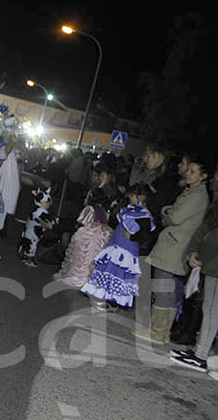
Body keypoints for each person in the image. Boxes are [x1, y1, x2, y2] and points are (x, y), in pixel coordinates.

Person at [138, 156, 211, 344]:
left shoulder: (197, 196)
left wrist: (165, 212)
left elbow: (175, 217)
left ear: (203, 176)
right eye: (188, 170)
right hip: (172, 244)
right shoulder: (192, 192)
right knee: (166, 288)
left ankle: (157, 332)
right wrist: (168, 212)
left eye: (193, 171)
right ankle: (160, 332)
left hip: (174, 246)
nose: (187, 173)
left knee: (163, 287)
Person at [171, 167, 218, 371]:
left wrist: (200, 257)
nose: (214, 181)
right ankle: (199, 350)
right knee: (209, 309)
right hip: (212, 262)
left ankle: (201, 356)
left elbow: (214, 236)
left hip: (214, 264)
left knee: (211, 310)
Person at [81, 184, 155, 308]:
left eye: (132, 196)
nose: (130, 198)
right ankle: (105, 297)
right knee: (110, 272)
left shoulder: (144, 215)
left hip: (125, 251)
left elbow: (145, 236)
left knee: (118, 274)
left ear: (140, 197)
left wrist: (132, 237)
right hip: (116, 246)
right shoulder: (130, 210)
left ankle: (114, 302)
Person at [53, 188, 111, 282]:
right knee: (92, 256)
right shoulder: (103, 211)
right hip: (99, 237)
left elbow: (82, 221)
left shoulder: (89, 209)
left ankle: (77, 275)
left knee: (81, 255)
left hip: (89, 234)